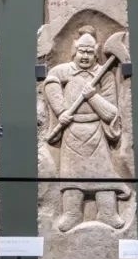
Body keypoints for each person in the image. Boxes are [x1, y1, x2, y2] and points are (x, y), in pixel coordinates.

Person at [43, 25, 129, 232]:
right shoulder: (62, 71)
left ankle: (108, 212)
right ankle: (72, 213)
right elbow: (50, 83)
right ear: (74, 49)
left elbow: (111, 112)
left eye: (90, 52)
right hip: (71, 131)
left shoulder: (104, 75)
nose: (85, 56)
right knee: (72, 176)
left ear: (96, 52)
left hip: (96, 132)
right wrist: (61, 111)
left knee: (103, 175)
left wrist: (92, 96)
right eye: (82, 51)